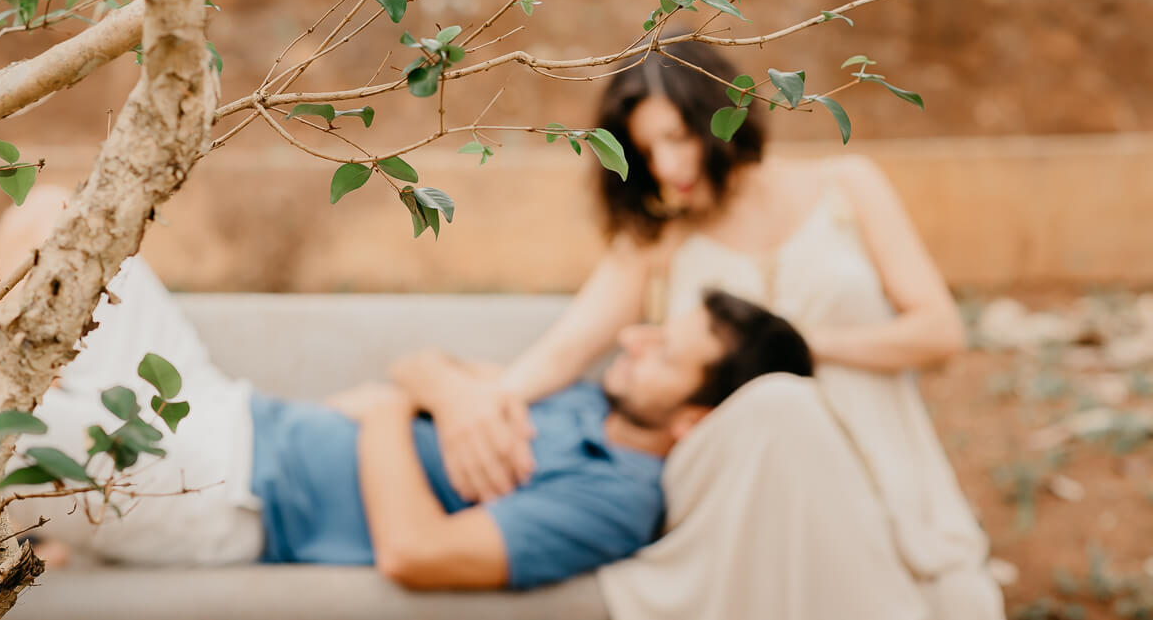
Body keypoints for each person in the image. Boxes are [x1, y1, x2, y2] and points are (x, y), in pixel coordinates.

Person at [423, 42, 1005, 619]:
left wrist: (796, 347)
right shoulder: (658, 238)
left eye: (677, 138)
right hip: (737, 472)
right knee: (780, 409)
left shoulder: (847, 185)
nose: (667, 168)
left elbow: (939, 333)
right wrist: (471, 400)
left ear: (721, 118)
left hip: (876, 444)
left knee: (948, 593)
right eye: (647, 151)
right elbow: (564, 351)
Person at [0, 198, 813, 590]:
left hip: (232, 493)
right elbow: (423, 363)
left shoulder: (615, 497)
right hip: (228, 408)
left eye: (665, 349)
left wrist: (389, 412)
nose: (633, 338)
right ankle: (28, 509)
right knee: (57, 219)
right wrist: (448, 394)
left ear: (696, 417)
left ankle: (27, 500)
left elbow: (418, 555)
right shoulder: (590, 403)